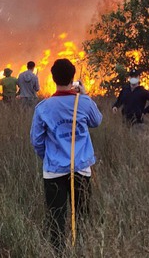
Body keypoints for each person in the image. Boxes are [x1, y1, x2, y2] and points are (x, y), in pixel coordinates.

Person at [30, 59, 102, 251]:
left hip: (54, 171)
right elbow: (97, 121)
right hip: (81, 169)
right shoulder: (84, 102)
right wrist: (85, 95)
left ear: (53, 78)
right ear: (73, 78)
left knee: (56, 216)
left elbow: (36, 141)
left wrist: (50, 158)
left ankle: (58, 252)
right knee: (82, 215)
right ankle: (83, 249)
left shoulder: (43, 108)